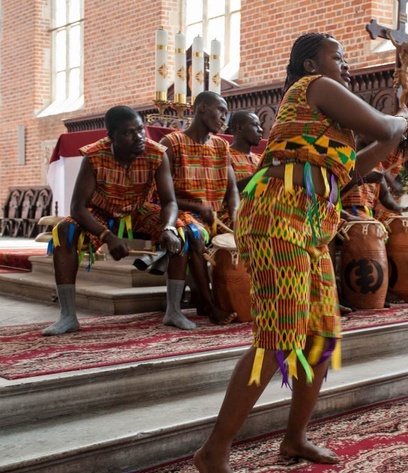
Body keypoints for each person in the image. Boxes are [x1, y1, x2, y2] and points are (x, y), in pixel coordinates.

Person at [193, 32, 408, 473]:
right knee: (277, 339)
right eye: (338, 57)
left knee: (321, 337)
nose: (347, 66)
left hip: (313, 226)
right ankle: (212, 452)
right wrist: (405, 117)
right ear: (308, 63)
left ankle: (294, 437)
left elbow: (356, 167)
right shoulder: (314, 88)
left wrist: (398, 129)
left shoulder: (325, 124)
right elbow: (383, 128)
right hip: (278, 214)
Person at [43, 106, 183, 336]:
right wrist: (106, 236)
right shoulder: (95, 156)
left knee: (182, 232)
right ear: (111, 137)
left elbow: (170, 202)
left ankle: (174, 311)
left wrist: (167, 227)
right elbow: (78, 207)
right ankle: (67, 315)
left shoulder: (156, 153)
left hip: (139, 209)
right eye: (129, 133)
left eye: (140, 130)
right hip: (102, 211)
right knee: (65, 231)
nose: (138, 137)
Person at [159, 91, 239, 328]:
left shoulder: (221, 146)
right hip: (184, 213)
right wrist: (196, 207)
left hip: (216, 215)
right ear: (202, 108)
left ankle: (247, 297)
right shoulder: (171, 143)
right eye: (220, 110)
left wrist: (235, 216)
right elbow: (163, 195)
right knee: (193, 234)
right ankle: (209, 304)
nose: (224, 118)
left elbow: (232, 189)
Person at [226, 110, 263, 188]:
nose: (260, 129)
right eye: (255, 125)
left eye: (259, 125)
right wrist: (261, 174)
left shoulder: (261, 159)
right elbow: (226, 190)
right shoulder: (225, 156)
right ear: (239, 127)